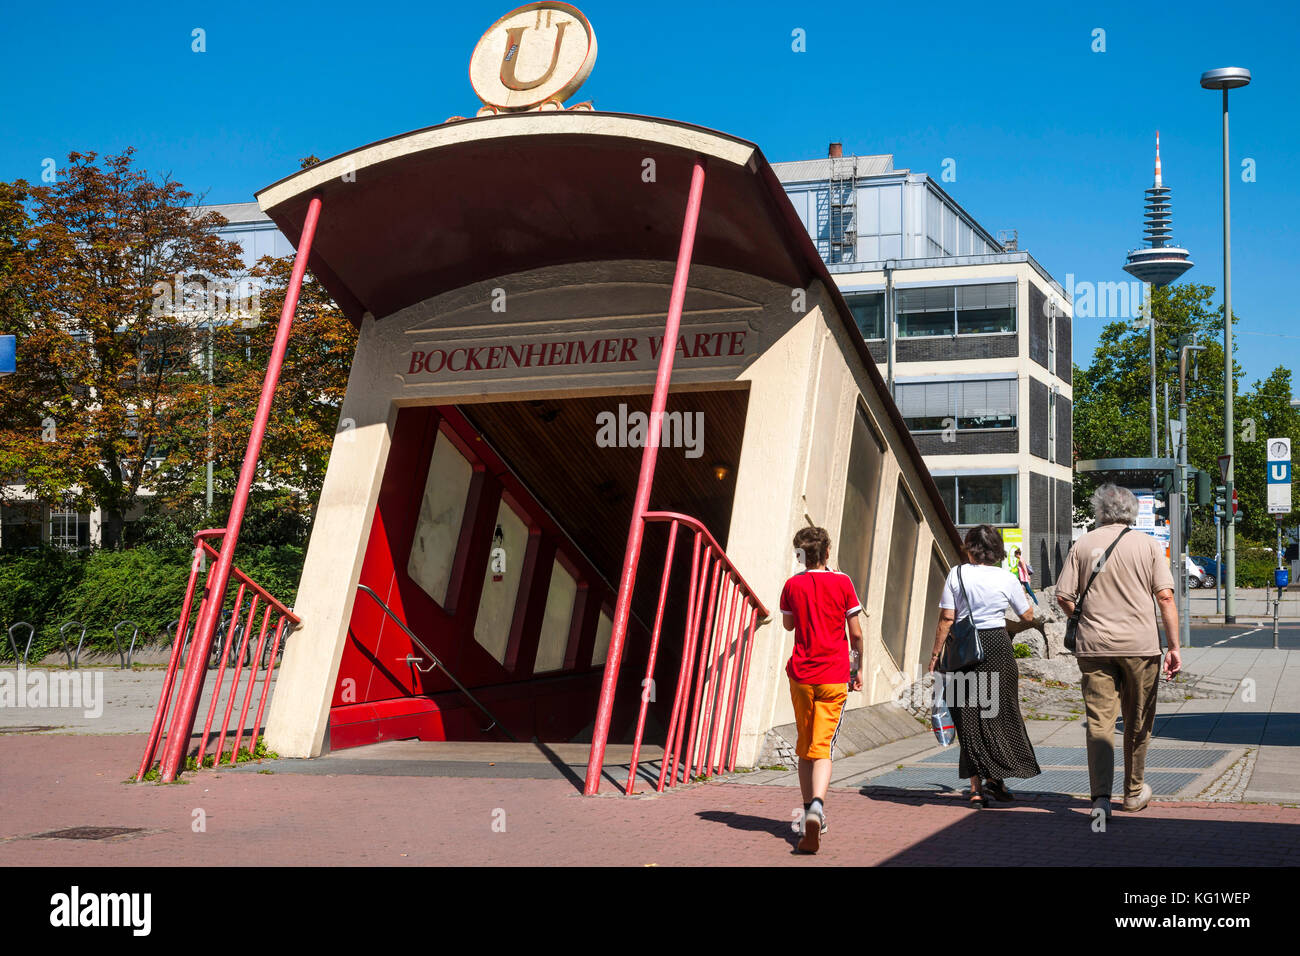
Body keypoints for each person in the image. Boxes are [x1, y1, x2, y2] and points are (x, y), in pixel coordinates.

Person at [1056, 483, 1181, 818]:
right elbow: (1165, 597)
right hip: (1141, 647)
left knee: (1100, 721)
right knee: (1138, 720)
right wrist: (1174, 646)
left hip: (1094, 646)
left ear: (1100, 511)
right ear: (1132, 512)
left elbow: (1064, 597)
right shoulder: (1148, 545)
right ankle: (1133, 792)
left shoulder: (1082, 544)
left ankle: (1099, 799)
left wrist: (1083, 619)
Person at [928, 524, 1043, 808]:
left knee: (967, 717)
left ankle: (977, 788)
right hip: (996, 646)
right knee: (998, 712)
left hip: (964, 648)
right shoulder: (1006, 578)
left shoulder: (957, 574)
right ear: (996, 549)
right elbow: (1027, 615)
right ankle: (998, 779)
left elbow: (946, 618)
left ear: (969, 547)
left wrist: (935, 655)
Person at [780, 526, 863, 854]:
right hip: (833, 674)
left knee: (805, 746)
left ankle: (807, 811)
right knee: (823, 746)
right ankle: (817, 807)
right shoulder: (843, 583)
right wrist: (857, 669)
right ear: (827, 552)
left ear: (800, 554)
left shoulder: (791, 585)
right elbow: (855, 635)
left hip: (801, 675)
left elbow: (788, 625)